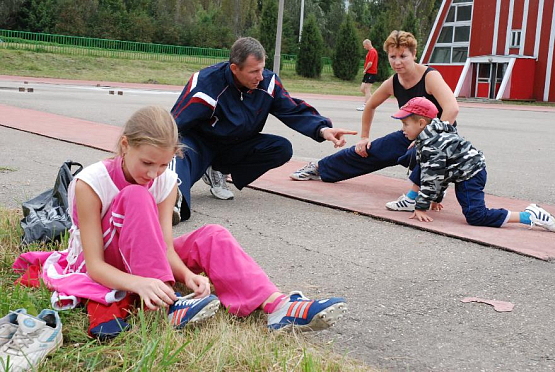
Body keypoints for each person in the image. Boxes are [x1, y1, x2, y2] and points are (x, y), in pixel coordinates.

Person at [12, 106, 348, 340]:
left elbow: (163, 243)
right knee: (135, 196)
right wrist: (140, 284)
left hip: (144, 250)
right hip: (103, 258)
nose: (153, 173)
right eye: (147, 163)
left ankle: (276, 306)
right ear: (125, 145)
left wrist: (186, 274)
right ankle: (169, 303)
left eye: (163, 164)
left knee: (212, 235)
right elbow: (95, 266)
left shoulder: (164, 180)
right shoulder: (90, 182)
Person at [170, 37, 357, 221]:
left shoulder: (268, 83)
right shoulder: (205, 85)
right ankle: (171, 203)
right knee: (179, 152)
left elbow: (293, 109)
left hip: (235, 145)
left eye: (262, 68)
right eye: (254, 71)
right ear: (235, 68)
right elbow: (173, 123)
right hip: (201, 145)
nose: (260, 77)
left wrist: (323, 129)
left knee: (281, 148)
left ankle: (218, 170)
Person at [290, 30, 459, 213]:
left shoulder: (430, 77)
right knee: (368, 151)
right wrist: (364, 137)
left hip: (441, 138)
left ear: (414, 54)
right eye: (392, 56)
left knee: (426, 154)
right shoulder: (393, 82)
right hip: (410, 134)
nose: (397, 61)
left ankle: (418, 196)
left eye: (403, 56)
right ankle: (319, 168)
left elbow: (452, 109)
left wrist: (428, 138)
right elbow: (370, 106)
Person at [390, 96, 555, 231]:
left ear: (421, 123)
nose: (403, 128)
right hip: (470, 169)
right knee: (473, 212)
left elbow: (432, 177)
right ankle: (529, 215)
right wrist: (436, 198)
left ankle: (530, 216)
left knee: (476, 216)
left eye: (405, 124)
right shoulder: (434, 134)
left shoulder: (432, 145)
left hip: (470, 173)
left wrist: (421, 207)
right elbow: (441, 172)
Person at [356, 39, 378, 111]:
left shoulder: (372, 52)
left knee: (367, 88)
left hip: (371, 72)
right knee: (362, 88)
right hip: (368, 73)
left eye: (364, 46)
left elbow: (370, 63)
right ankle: (373, 101)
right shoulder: (370, 52)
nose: (364, 47)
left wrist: (365, 69)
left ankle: (366, 105)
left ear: (367, 44)